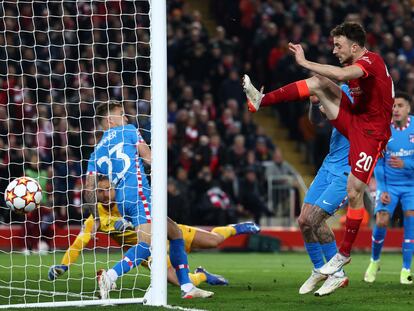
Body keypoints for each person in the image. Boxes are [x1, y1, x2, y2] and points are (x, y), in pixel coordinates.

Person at [243, 22, 394, 274]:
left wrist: (304, 62)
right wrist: (315, 101)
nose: (334, 50)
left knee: (343, 200)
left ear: (355, 46)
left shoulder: (367, 64)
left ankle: (341, 259)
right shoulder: (347, 87)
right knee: (317, 82)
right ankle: (261, 100)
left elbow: (343, 75)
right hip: (344, 138)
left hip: (366, 140)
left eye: (338, 45)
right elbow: (316, 119)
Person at [84, 101, 213, 299]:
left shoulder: (95, 153)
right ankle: (110, 276)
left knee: (175, 232)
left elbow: (89, 189)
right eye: (121, 113)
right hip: (139, 192)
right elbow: (149, 158)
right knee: (147, 245)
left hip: (121, 199)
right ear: (110, 119)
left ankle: (187, 287)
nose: (126, 118)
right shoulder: (128, 130)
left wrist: (97, 218)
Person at [49, 174, 260, 286]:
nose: (105, 194)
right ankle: (202, 276)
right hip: (147, 252)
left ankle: (236, 228)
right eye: (101, 191)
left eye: (108, 189)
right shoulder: (95, 217)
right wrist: (63, 265)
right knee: (179, 281)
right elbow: (79, 243)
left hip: (167, 233)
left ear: (114, 187)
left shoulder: (130, 201)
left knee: (214, 241)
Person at [297, 94, 350, 296]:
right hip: (328, 166)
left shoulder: (367, 110)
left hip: (348, 171)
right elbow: (317, 120)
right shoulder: (343, 96)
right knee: (303, 221)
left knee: (315, 219)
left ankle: (337, 274)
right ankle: (320, 269)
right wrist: (315, 103)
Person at [364, 92, 414, 285]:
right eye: (393, 106)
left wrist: (406, 165)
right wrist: (382, 189)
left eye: (400, 105)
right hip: (389, 186)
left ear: (408, 108)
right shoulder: (384, 130)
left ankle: (406, 269)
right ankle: (374, 261)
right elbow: (378, 163)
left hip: (411, 186)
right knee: (382, 220)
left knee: (410, 218)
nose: (396, 109)